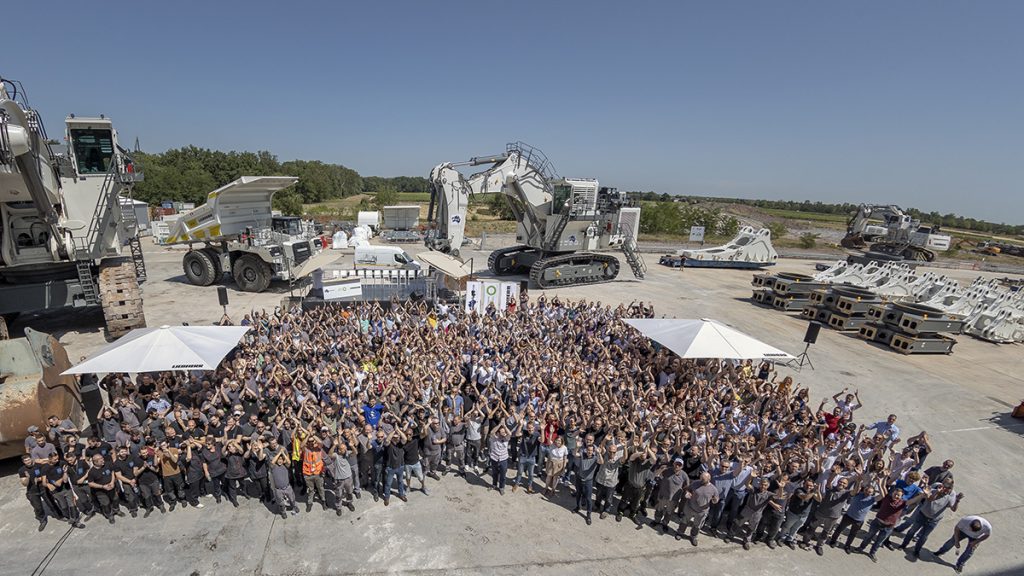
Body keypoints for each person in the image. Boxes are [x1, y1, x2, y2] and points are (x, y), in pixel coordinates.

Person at [896, 478, 962, 557]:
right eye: (944, 487)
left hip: (933, 520)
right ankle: (904, 545)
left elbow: (953, 509)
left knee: (924, 537)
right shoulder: (934, 490)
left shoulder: (950, 497)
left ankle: (917, 550)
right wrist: (937, 492)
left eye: (948, 488)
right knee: (912, 531)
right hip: (922, 515)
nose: (946, 490)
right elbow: (930, 499)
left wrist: (957, 501)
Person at [857, 485, 906, 562]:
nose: (896, 496)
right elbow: (882, 488)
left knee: (879, 541)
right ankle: (861, 548)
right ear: (892, 493)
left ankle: (872, 553)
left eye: (898, 495)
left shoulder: (902, 503)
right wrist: (880, 482)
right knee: (869, 536)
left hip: (889, 527)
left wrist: (923, 495)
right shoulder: (887, 497)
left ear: (902, 496)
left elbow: (913, 501)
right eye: (895, 494)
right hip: (877, 522)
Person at [677, 472, 720, 546]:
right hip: (690, 507)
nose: (701, 480)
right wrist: (687, 493)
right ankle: (680, 532)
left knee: (697, 525)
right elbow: (688, 489)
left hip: (701, 511)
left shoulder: (713, 489)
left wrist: (715, 500)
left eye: (703, 479)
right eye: (700, 478)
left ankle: (693, 537)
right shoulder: (695, 483)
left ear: (709, 479)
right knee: (684, 521)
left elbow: (716, 500)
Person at [19, 454, 49, 531]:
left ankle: (59, 515)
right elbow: (24, 484)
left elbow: (46, 475)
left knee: (51, 502)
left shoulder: (39, 466)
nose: (28, 461)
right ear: (23, 462)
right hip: (32, 491)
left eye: (29, 459)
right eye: (25, 461)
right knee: (38, 507)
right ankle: (42, 520)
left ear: (32, 459)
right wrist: (28, 478)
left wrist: (39, 479)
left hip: (43, 488)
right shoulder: (22, 470)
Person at [573, 442, 598, 525]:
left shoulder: (595, 457)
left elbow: (601, 462)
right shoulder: (582, 454)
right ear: (586, 450)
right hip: (579, 478)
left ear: (593, 451)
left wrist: (599, 453)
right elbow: (575, 454)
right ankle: (577, 507)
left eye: (591, 450)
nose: (589, 452)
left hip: (588, 481)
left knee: (588, 498)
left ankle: (588, 514)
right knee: (578, 494)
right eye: (588, 450)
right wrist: (577, 446)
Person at [489, 423, 511, 495]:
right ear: (498, 433)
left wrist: (504, 426)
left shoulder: (506, 438)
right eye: (501, 432)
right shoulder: (493, 438)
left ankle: (501, 488)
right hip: (494, 459)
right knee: (494, 474)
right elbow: (492, 432)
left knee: (503, 475)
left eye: (504, 432)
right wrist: (499, 425)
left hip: (503, 459)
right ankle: (494, 485)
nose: (503, 434)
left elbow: (510, 433)